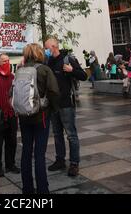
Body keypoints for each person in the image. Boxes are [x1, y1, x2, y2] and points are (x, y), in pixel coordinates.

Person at [17, 44, 60, 195]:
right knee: (39, 155)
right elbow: (54, 91)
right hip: (40, 116)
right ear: (39, 53)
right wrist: (53, 109)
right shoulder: (44, 69)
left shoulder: (20, 69)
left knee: (26, 152)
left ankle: (27, 189)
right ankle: (43, 190)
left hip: (23, 116)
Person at [45, 38, 87, 177]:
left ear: (53, 47)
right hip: (53, 105)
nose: (45, 50)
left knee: (71, 135)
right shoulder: (48, 62)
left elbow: (83, 76)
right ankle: (60, 160)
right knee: (57, 135)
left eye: (46, 48)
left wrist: (72, 70)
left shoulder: (68, 59)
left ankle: (74, 163)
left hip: (66, 104)